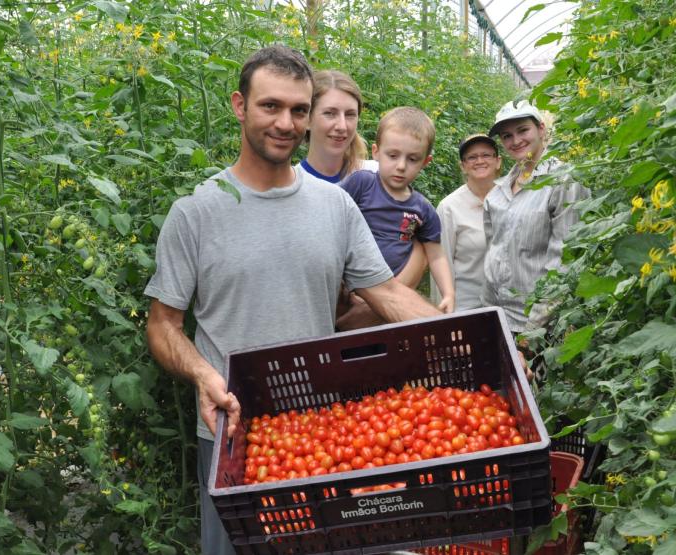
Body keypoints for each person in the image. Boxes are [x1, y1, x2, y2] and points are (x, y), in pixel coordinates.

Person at [143, 46, 441, 555]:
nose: (286, 123)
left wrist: (489, 332)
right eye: (270, 106)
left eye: (299, 110)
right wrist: (201, 374)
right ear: (240, 105)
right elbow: (162, 323)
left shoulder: (335, 205)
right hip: (232, 429)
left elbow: (388, 292)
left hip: (316, 428)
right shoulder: (197, 212)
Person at [299, 70, 427, 289]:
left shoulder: (378, 174)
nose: (342, 126)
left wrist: (381, 302)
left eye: (350, 114)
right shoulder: (293, 184)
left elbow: (419, 243)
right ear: (308, 119)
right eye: (330, 113)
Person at [336, 106, 455, 331]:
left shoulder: (423, 209)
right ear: (376, 152)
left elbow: (436, 255)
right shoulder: (361, 183)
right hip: (351, 287)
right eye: (393, 156)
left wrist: (448, 292)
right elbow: (331, 217)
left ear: (425, 162)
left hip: (395, 294)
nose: (401, 166)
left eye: (412, 159)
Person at [482, 100, 590, 333]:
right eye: (506, 136)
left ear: (541, 129)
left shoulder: (563, 180)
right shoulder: (498, 191)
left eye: (523, 130)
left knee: (530, 371)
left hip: (536, 324)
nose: (515, 140)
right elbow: (494, 251)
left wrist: (533, 332)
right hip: (497, 316)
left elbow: (563, 261)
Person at [430, 134, 502, 311]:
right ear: (463, 166)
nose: (479, 161)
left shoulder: (511, 198)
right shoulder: (449, 208)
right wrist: (443, 317)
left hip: (510, 307)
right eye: (471, 157)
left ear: (498, 161)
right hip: (467, 309)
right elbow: (441, 262)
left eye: (486, 155)